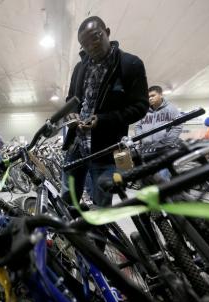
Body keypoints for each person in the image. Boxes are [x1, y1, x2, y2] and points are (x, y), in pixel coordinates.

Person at [61, 16, 149, 207]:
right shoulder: (79, 68)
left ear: (107, 32)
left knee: (102, 205)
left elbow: (140, 107)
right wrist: (72, 113)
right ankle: (72, 234)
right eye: (84, 44)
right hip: (76, 146)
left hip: (106, 150)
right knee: (69, 200)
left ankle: (98, 237)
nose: (91, 46)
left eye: (96, 37)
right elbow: (71, 99)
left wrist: (102, 120)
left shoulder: (130, 64)